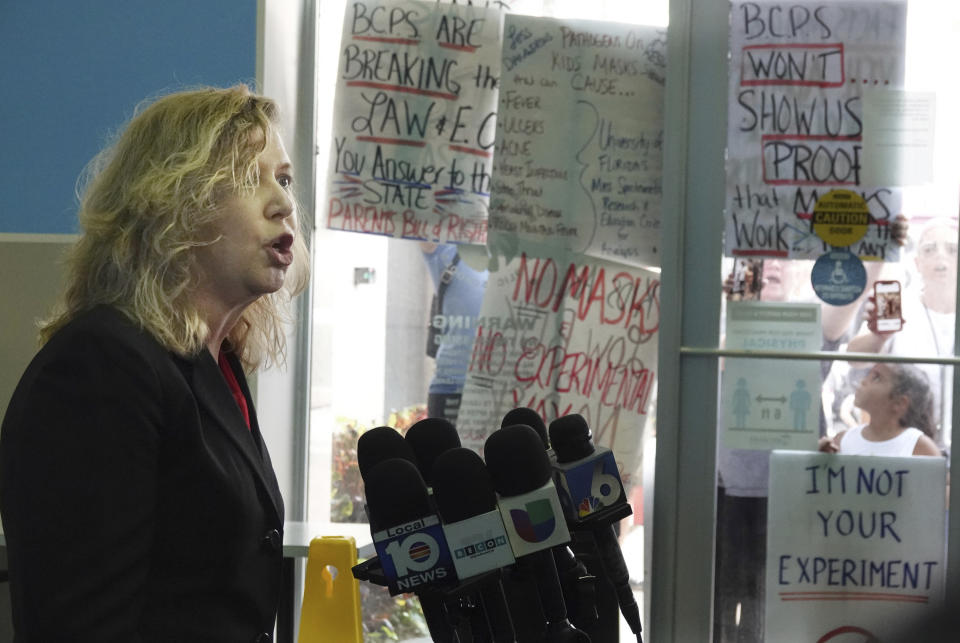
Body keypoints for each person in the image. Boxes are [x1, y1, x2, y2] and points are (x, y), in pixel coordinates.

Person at [0, 85, 309, 642]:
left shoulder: (215, 364)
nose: (283, 202)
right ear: (173, 203)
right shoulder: (100, 369)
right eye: (247, 177)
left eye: (283, 178)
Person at [846, 217, 958, 444]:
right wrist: (879, 338)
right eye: (930, 249)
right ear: (917, 263)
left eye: (952, 249)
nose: (941, 257)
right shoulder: (899, 305)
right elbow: (853, 357)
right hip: (906, 443)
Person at [420, 242, 488, 425]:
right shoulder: (446, 252)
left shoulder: (514, 257)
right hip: (451, 387)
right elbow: (422, 224)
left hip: (499, 387)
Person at [818, 363, 941, 456]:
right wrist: (821, 456)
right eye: (868, 375)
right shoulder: (842, 440)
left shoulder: (920, 447)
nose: (863, 381)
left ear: (899, 403)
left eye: (876, 378)